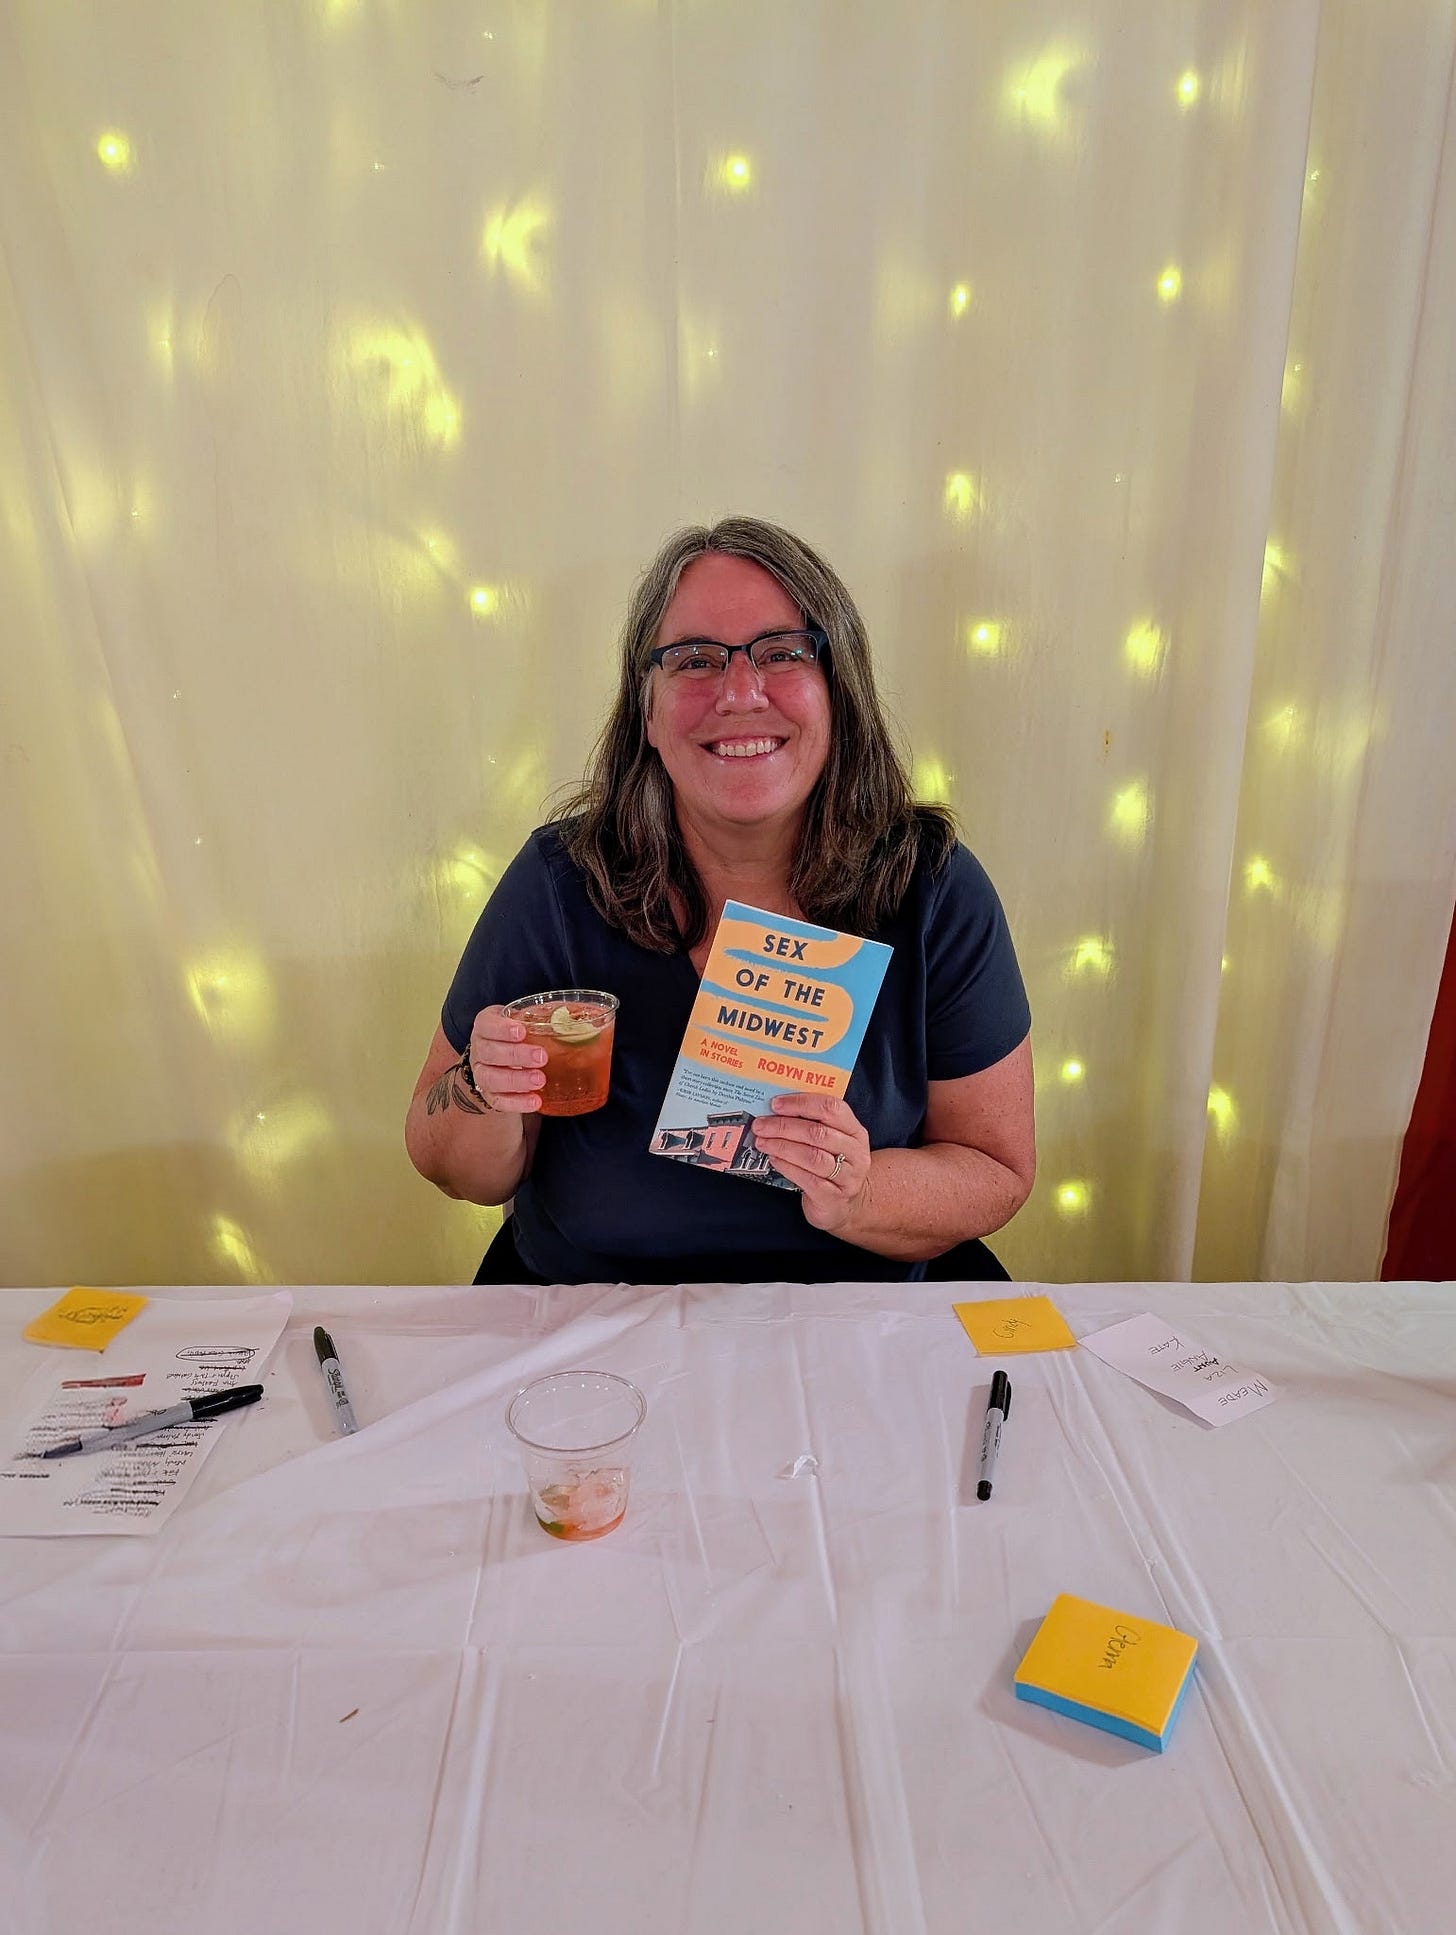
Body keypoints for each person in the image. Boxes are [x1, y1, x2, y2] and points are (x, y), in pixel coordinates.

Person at [405, 517, 1035, 1285]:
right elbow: (455, 1168)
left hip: (856, 1330)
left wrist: (862, 1190)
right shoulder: (562, 881)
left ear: (839, 691)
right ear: (647, 712)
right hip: (594, 1329)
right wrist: (480, 1090)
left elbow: (996, 1168)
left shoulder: (933, 887)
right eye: (695, 659)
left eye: (781, 653)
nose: (740, 693)